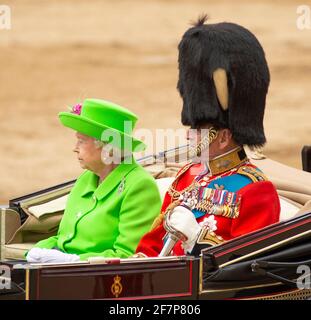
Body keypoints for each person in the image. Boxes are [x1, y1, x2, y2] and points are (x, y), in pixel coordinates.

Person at [135, 16, 280, 257]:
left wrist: (197, 240)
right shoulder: (184, 180)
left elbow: (245, 265)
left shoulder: (256, 191)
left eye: (197, 129)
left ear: (223, 137)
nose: (189, 135)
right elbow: (150, 246)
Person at [26, 98, 162, 263]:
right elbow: (63, 239)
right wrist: (40, 249)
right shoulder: (86, 178)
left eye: (82, 141)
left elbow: (129, 256)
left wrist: (75, 261)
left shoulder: (140, 186)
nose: (75, 148)